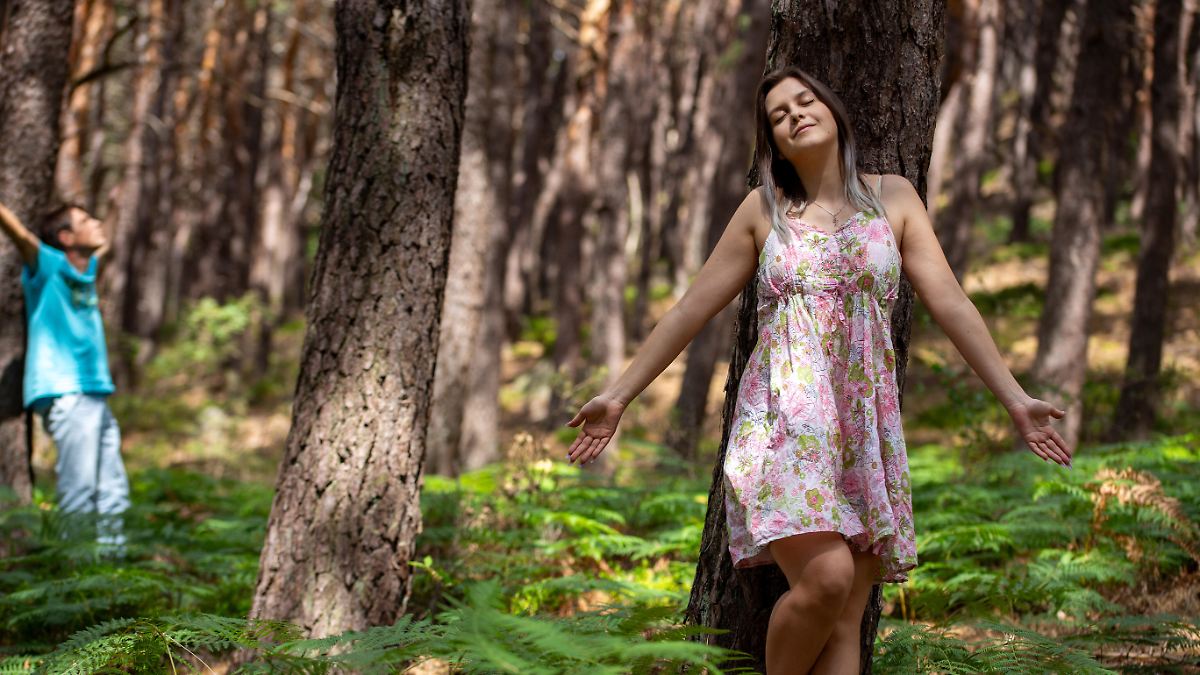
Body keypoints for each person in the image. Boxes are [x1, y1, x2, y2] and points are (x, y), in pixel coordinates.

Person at [564, 65, 1073, 673]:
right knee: (827, 578)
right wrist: (620, 394)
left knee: (844, 621)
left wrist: (1015, 399)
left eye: (805, 102)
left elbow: (952, 302)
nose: (795, 115)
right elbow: (689, 310)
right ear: (773, 143)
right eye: (779, 116)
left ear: (833, 113)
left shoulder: (895, 198)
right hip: (782, 426)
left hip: (861, 428)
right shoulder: (763, 211)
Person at [0, 197, 129, 553]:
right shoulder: (48, 266)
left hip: (93, 393)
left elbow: (103, 244)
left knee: (114, 488)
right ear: (66, 237)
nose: (97, 223)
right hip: (66, 390)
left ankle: (112, 574)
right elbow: (21, 236)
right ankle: (74, 575)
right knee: (79, 487)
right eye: (86, 220)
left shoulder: (83, 272)